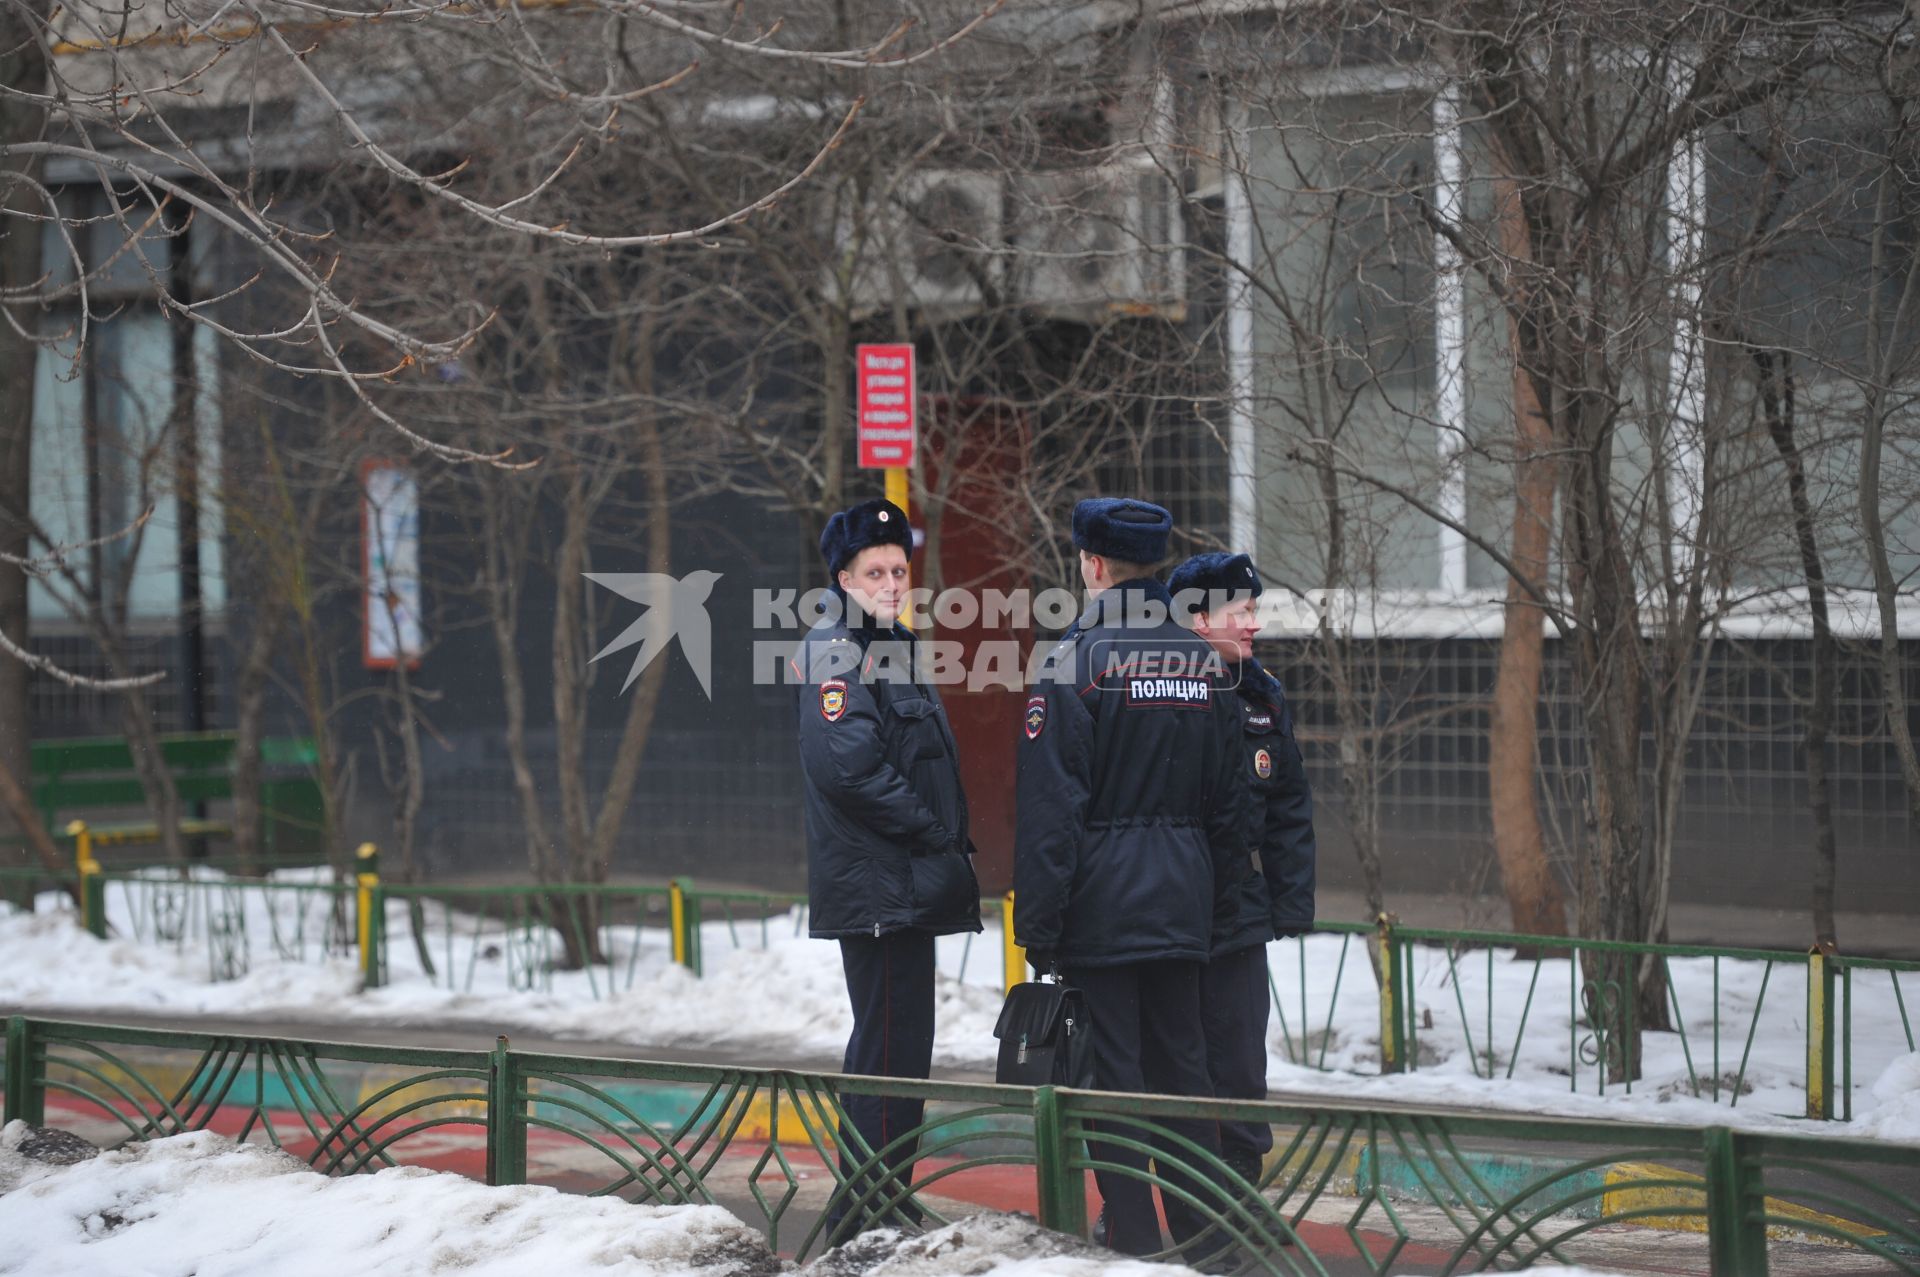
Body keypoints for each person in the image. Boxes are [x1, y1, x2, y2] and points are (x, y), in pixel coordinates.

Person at [1013, 497, 1251, 1257]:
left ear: (1091, 564)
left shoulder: (1073, 662)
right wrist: (1214, 906)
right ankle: (1207, 1240)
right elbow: (1231, 806)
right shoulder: (1202, 662)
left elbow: (1052, 814)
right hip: (1183, 907)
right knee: (1184, 1071)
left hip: (1101, 912)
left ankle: (1136, 1247)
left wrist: (1039, 928)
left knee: (1112, 1079)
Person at [793, 497, 982, 1242]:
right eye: (875, 569)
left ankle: (881, 1198)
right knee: (887, 1047)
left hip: (903, 884)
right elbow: (849, 767)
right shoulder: (835, 647)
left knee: (904, 1050)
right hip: (880, 885)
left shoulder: (891, 644)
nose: (892, 580)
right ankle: (864, 1209)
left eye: (900, 568)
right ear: (842, 577)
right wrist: (934, 831)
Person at [1169, 551, 1317, 1192]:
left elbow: (1289, 809)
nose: (1254, 623)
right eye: (1242, 610)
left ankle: (1238, 1193)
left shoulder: (1262, 693)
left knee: (1240, 1058)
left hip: (1238, 910)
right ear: (1198, 619)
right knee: (1175, 1061)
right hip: (1168, 909)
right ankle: (1161, 1201)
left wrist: (1290, 903)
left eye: (1254, 609)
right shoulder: (1161, 689)